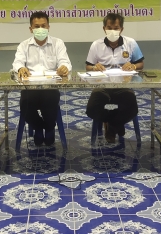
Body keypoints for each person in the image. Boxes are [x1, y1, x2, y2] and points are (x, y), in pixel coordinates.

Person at [13, 11, 72, 146]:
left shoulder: (58, 43)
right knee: (25, 105)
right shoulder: (23, 45)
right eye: (36, 26)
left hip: (50, 86)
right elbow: (17, 62)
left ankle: (49, 128)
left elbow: (65, 62)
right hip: (30, 88)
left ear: (48, 27)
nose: (40, 29)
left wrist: (64, 67)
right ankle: (38, 127)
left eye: (43, 26)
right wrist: (21, 68)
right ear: (31, 29)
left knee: (50, 104)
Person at [85, 13, 144, 144]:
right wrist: (94, 67)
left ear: (121, 29)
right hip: (102, 87)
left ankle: (111, 126)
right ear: (104, 29)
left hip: (124, 87)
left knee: (132, 108)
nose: (112, 31)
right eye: (109, 28)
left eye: (116, 28)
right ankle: (117, 124)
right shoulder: (96, 45)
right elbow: (88, 66)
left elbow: (141, 64)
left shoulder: (131, 43)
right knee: (92, 109)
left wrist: (133, 65)